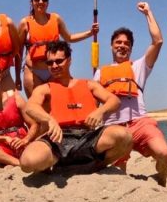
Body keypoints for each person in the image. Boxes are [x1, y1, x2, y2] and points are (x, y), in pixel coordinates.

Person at [19, 41, 132, 174]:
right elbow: (30, 107)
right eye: (50, 63)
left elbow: (114, 101)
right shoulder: (44, 89)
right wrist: (49, 119)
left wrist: (100, 111)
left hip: (88, 137)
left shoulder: (89, 84)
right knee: (28, 162)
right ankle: (56, 163)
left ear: (69, 60)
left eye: (59, 61)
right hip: (58, 137)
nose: (54, 66)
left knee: (125, 136)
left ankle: (97, 164)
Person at [94, 2, 167, 185]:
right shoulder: (99, 73)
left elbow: (158, 41)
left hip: (139, 122)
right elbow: (93, 105)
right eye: (118, 43)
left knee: (164, 155)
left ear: (131, 48)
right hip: (113, 127)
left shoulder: (139, 67)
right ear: (111, 46)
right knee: (118, 177)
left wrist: (148, 13)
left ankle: (160, 181)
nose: (122, 46)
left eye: (126, 44)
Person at [17, 0, 99, 96]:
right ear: (31, 2)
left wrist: (90, 33)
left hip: (54, 71)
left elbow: (69, 38)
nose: (40, 2)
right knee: (35, 106)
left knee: (55, 106)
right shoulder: (24, 23)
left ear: (48, 3)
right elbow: (18, 52)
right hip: (33, 71)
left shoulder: (56, 19)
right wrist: (17, 77)